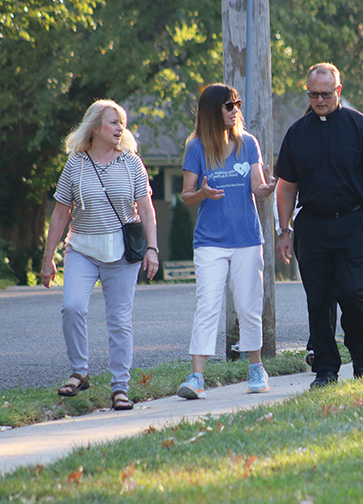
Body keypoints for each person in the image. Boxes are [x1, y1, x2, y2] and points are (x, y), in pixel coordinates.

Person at [275, 62, 363, 388]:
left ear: (338, 91)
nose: (319, 100)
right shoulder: (298, 133)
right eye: (313, 94)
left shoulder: (359, 126)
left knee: (352, 292)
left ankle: (361, 356)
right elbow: (286, 186)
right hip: (312, 225)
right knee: (318, 298)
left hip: (354, 221)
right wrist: (283, 231)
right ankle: (326, 368)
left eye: (326, 94)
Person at [40, 100, 159, 411]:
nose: (120, 128)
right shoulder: (76, 164)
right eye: (113, 123)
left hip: (122, 253)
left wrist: (152, 248)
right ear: (95, 128)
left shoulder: (131, 163)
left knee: (119, 321)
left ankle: (120, 388)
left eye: (122, 123)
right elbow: (60, 213)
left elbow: (146, 209)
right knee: (72, 307)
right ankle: (80, 371)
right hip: (81, 248)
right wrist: (48, 257)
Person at [177, 84, 276, 399]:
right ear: (212, 111)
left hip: (247, 238)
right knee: (207, 304)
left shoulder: (249, 144)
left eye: (237, 103)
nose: (235, 109)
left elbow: (257, 188)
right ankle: (196, 378)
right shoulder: (196, 148)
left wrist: (267, 188)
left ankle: (255, 369)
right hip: (210, 241)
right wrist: (202, 194)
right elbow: (186, 196)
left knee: (248, 305)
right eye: (228, 105)